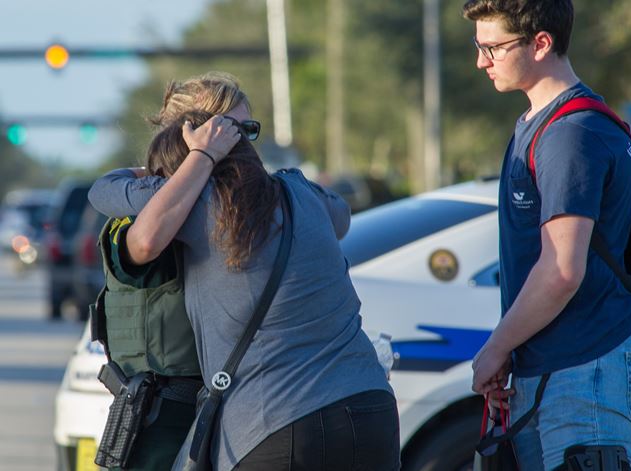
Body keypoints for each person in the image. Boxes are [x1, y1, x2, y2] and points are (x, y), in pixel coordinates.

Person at [88, 108, 400, 471]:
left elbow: (105, 192)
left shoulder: (200, 204)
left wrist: (198, 158)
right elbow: (341, 215)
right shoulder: (301, 192)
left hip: (276, 425)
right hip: (371, 411)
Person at [463, 1, 631, 470]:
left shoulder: (571, 134)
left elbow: (561, 270)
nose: (481, 61)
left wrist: (497, 347)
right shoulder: (542, 124)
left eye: (493, 48)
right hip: (560, 364)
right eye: (479, 46)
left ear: (541, 43)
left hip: (587, 363)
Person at [93, 71, 265, 471]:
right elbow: (146, 243)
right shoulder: (142, 217)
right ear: (190, 136)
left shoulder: (234, 213)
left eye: (246, 131)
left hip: (230, 411)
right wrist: (201, 161)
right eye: (227, 131)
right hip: (162, 420)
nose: (240, 146)